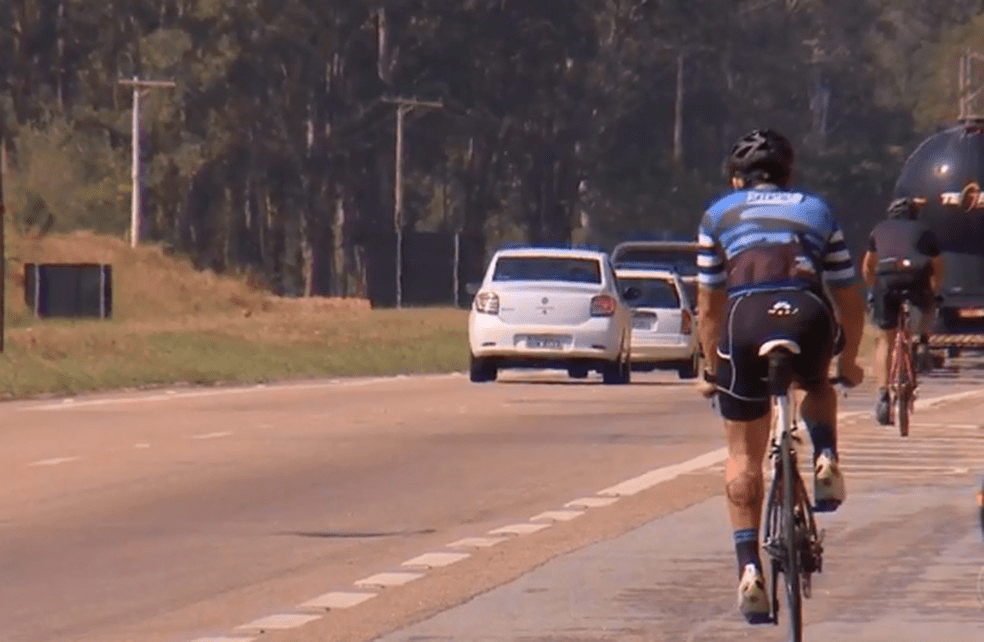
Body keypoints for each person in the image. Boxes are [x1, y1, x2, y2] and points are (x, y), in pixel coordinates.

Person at [694, 128, 866, 624]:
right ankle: (826, 454)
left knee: (742, 454)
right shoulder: (816, 209)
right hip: (808, 315)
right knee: (815, 381)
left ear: (736, 178)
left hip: (745, 321)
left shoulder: (717, 214)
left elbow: (708, 306)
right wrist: (848, 361)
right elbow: (849, 298)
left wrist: (713, 366)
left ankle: (749, 569)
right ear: (789, 175)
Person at [860, 197, 944, 425]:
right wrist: (934, 291)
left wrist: (872, 289)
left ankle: (883, 395)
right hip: (916, 276)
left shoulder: (879, 229)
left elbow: (868, 265)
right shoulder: (925, 230)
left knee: (885, 339)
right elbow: (937, 265)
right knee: (926, 306)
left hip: (886, 278)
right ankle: (920, 339)